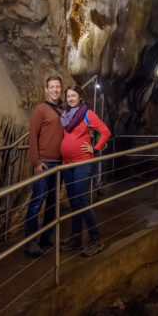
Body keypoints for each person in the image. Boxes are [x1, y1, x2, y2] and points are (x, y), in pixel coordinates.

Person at [60, 85, 111, 257]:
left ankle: (95, 238)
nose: (71, 98)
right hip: (67, 165)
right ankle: (75, 239)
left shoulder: (88, 114)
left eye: (74, 96)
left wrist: (94, 148)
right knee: (74, 202)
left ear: (80, 97)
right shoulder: (64, 115)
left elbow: (105, 132)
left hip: (83, 163)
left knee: (81, 200)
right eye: (68, 96)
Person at [24, 75, 63, 257]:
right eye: (52, 87)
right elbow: (32, 136)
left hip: (60, 163)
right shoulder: (40, 109)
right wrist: (36, 161)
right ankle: (31, 240)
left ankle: (48, 234)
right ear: (46, 90)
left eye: (57, 87)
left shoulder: (63, 110)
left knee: (53, 201)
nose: (55, 90)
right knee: (37, 201)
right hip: (45, 163)